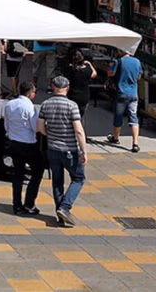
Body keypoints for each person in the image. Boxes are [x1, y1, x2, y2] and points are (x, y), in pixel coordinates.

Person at [37, 76, 87, 228]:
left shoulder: (45, 104)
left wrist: (50, 135)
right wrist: (84, 150)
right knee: (78, 178)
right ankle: (65, 207)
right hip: (70, 150)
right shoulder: (72, 105)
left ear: (53, 87)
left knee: (57, 182)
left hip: (52, 149)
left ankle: (60, 214)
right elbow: (78, 130)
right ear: (67, 87)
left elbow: (40, 127)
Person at [4, 81, 44, 216]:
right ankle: (29, 203)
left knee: (18, 174)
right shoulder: (30, 107)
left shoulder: (10, 104)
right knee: (38, 171)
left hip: (14, 142)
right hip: (28, 143)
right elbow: (35, 127)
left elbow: (6, 124)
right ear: (30, 93)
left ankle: (17, 205)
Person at [108, 49, 143, 152]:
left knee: (118, 116)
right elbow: (139, 77)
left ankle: (116, 138)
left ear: (120, 51)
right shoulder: (137, 61)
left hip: (121, 92)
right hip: (134, 93)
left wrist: (110, 67)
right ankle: (135, 143)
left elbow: (111, 74)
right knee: (133, 116)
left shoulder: (117, 61)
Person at [65, 50, 97, 117]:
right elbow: (94, 74)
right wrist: (90, 64)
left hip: (72, 95)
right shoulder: (87, 70)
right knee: (80, 115)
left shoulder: (70, 69)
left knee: (70, 114)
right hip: (84, 96)